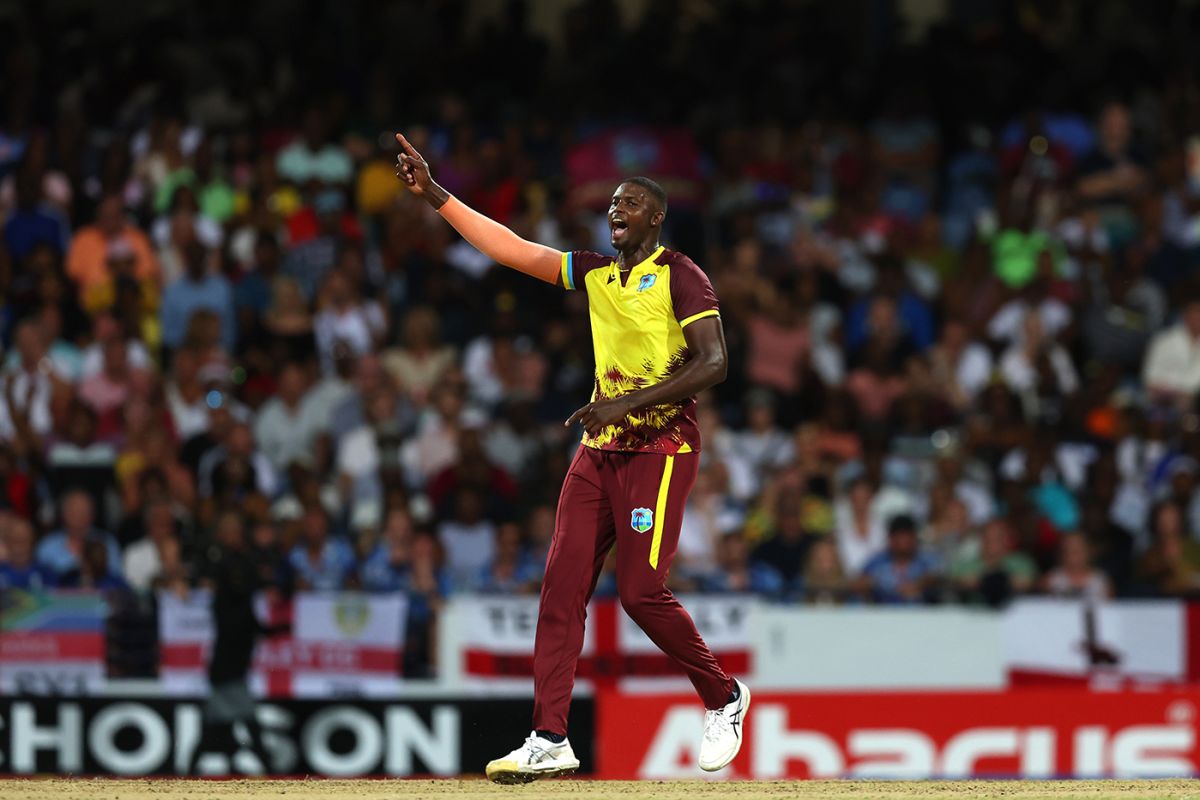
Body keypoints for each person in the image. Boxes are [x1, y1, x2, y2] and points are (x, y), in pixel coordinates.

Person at [396, 132, 748, 782]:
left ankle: (724, 697)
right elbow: (513, 249)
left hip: (659, 449)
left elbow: (716, 363)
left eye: (632, 202)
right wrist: (437, 196)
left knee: (642, 595)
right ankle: (549, 735)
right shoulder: (595, 273)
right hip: (598, 450)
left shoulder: (679, 273)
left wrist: (626, 403)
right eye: (613, 203)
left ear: (657, 217)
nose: (617, 210)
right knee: (560, 590)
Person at [188, 512, 287, 774]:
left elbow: (255, 624)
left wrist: (278, 628)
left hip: (232, 665)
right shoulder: (219, 573)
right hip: (227, 668)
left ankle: (190, 770)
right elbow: (240, 619)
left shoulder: (245, 579)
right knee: (245, 721)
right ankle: (269, 770)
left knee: (214, 729)